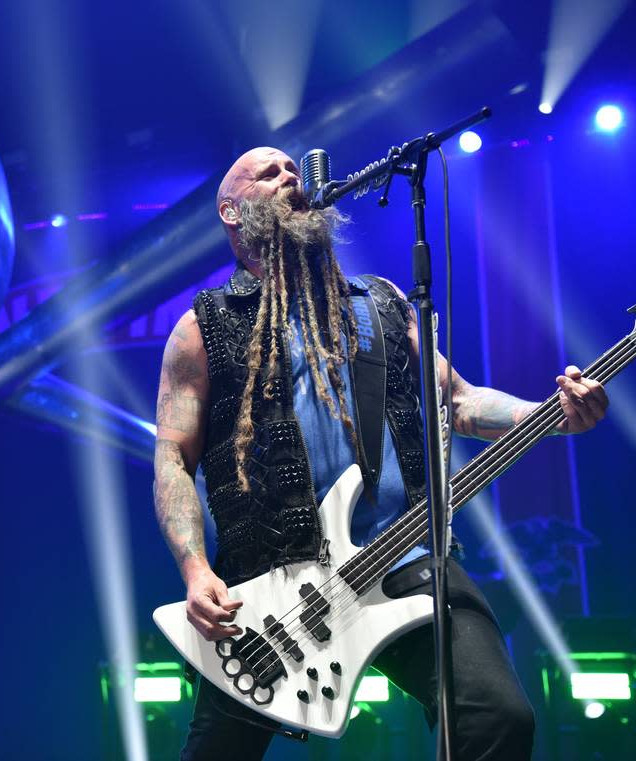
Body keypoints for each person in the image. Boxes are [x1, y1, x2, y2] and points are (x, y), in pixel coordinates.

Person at [152, 147, 608, 760]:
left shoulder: (384, 304)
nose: (291, 177)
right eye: (270, 174)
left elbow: (461, 403)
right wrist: (195, 569)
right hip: (270, 593)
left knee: (499, 718)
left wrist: (553, 416)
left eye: (294, 169)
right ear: (232, 212)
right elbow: (173, 457)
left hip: (406, 557)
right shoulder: (203, 328)